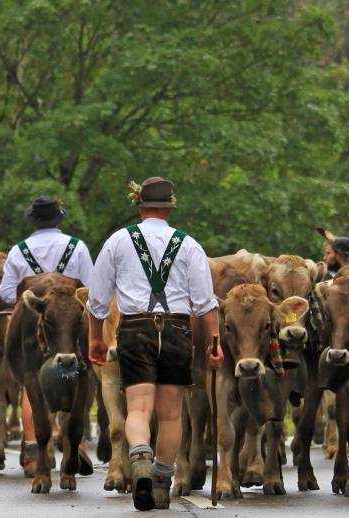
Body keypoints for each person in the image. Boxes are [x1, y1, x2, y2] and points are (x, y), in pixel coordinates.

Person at [87, 177, 221, 511]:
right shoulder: (188, 244)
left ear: (140, 206)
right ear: (169, 209)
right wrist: (215, 342)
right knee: (172, 414)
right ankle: (161, 482)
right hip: (177, 329)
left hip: (135, 329)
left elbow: (97, 301)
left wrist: (94, 338)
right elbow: (205, 303)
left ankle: (140, 456)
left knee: (139, 409)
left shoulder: (118, 241)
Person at [0, 195, 93, 474]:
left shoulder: (19, 251)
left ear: (34, 221)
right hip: (72, 322)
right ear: (58, 219)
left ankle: (33, 453)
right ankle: (75, 445)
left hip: (31, 320)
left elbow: (6, 294)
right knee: (78, 375)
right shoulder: (77, 247)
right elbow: (90, 289)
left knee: (32, 383)